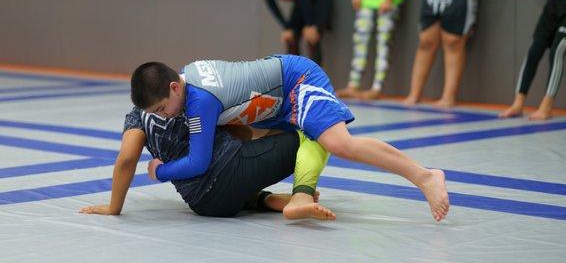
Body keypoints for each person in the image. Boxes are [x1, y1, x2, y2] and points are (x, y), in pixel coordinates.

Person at [130, 54, 450, 222]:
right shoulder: (188, 78)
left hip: (295, 80)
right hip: (274, 101)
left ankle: (425, 176)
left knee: (339, 142)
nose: (164, 117)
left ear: (175, 87)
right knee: (301, 139)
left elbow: (198, 162)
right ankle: (301, 195)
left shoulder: (199, 101)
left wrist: (159, 171)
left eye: (161, 108)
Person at [80, 107, 335, 220]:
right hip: (234, 171)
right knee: (318, 132)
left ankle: (263, 200)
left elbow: (127, 158)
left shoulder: (136, 116)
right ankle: (301, 195)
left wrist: (114, 207)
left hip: (203, 205)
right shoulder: (196, 100)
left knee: (235, 175)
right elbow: (243, 134)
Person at [248, 0, 333, 65]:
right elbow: (274, 8)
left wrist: (310, 25)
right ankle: (294, 71)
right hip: (301, 1)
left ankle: (314, 75)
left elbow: (304, 1)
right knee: (291, 36)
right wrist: (286, 28)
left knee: (312, 35)